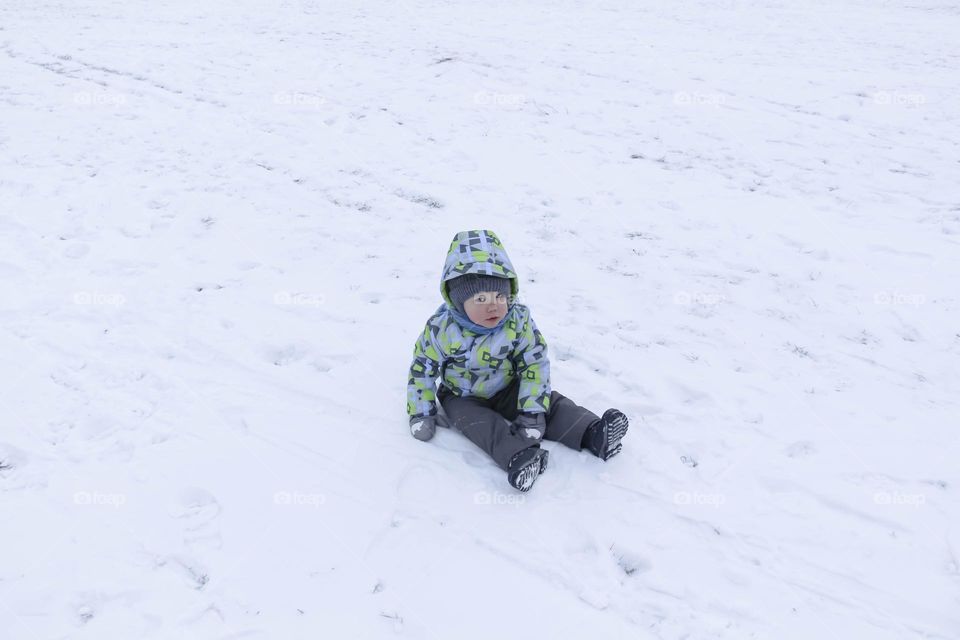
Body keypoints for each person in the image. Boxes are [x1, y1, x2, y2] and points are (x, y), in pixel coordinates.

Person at [406, 229, 629, 492]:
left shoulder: (517, 321)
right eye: (480, 299)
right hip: (461, 395)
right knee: (479, 426)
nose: (494, 306)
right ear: (458, 301)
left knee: (552, 404)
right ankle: (521, 456)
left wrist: (533, 412)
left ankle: (594, 433)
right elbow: (422, 369)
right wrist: (421, 412)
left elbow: (534, 362)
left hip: (508, 385)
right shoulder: (442, 329)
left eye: (500, 297)